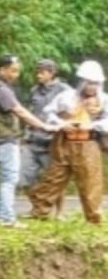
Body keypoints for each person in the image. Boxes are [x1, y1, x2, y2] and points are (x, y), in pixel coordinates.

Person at [0, 54, 54, 227]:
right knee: (10, 178)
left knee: (5, 176)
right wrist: (42, 125)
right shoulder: (0, 89)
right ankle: (7, 218)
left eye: (17, 71)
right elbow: (18, 110)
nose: (16, 74)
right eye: (13, 71)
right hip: (3, 138)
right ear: (2, 70)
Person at [29, 60, 108, 224]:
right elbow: (48, 112)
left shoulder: (104, 101)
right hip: (64, 142)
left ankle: (93, 218)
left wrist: (93, 125)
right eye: (89, 82)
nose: (91, 86)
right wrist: (62, 124)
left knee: (90, 183)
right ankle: (39, 211)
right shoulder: (67, 96)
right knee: (54, 178)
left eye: (95, 83)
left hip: (88, 143)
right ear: (82, 82)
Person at [20, 58, 69, 190]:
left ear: (51, 73)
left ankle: (57, 210)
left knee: (54, 178)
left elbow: (73, 110)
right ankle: (37, 206)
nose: (38, 75)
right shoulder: (34, 91)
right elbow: (29, 113)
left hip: (53, 141)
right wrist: (25, 134)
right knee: (25, 177)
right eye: (37, 72)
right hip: (33, 139)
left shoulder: (64, 90)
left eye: (42, 72)